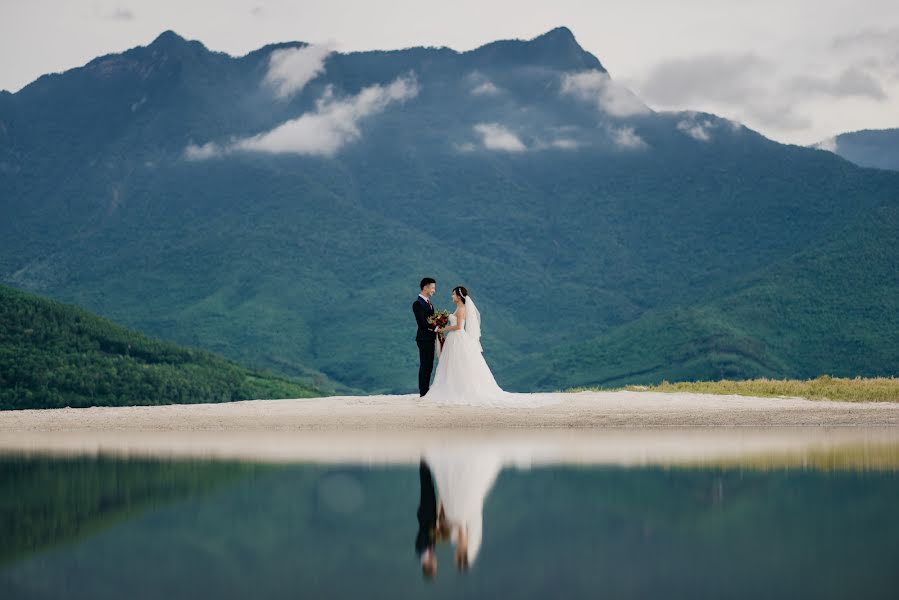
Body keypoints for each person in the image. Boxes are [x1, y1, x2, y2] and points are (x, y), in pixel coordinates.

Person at [424, 286, 559, 407]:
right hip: (455, 339)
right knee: (454, 364)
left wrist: (441, 329)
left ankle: (457, 389)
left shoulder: (461, 310)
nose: (452, 296)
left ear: (459, 296)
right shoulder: (458, 308)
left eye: (453, 294)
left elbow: (459, 327)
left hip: (457, 338)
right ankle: (455, 387)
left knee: (458, 363)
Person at [412, 278, 438, 397]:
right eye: (432, 288)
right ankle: (423, 392)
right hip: (423, 338)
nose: (434, 290)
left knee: (429, 364)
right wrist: (435, 327)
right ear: (425, 287)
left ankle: (426, 389)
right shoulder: (418, 303)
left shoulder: (429, 302)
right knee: (425, 364)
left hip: (430, 338)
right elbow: (422, 323)